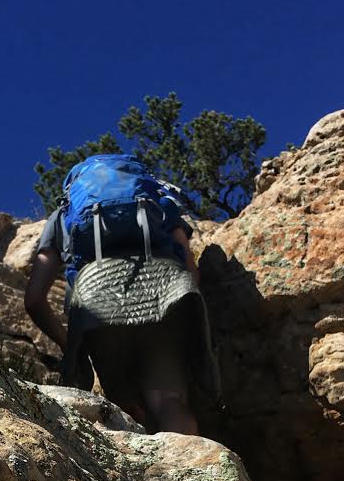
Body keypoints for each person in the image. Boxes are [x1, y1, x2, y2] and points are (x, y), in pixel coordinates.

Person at [24, 157, 215, 435]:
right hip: (167, 287)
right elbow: (190, 269)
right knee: (169, 401)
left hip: (97, 299)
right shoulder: (158, 199)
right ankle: (192, 470)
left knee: (124, 412)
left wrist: (69, 344)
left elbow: (33, 299)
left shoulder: (63, 215)